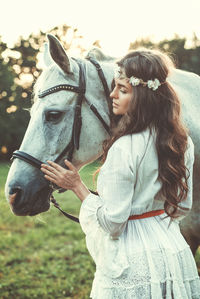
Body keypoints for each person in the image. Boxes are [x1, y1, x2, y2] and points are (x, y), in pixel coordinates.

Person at [41, 49, 200, 298]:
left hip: (133, 261)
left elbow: (113, 224)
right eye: (115, 87)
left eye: (123, 90)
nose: (112, 95)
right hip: (174, 254)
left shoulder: (124, 148)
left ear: (145, 97)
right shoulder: (182, 143)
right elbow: (182, 208)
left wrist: (77, 186)